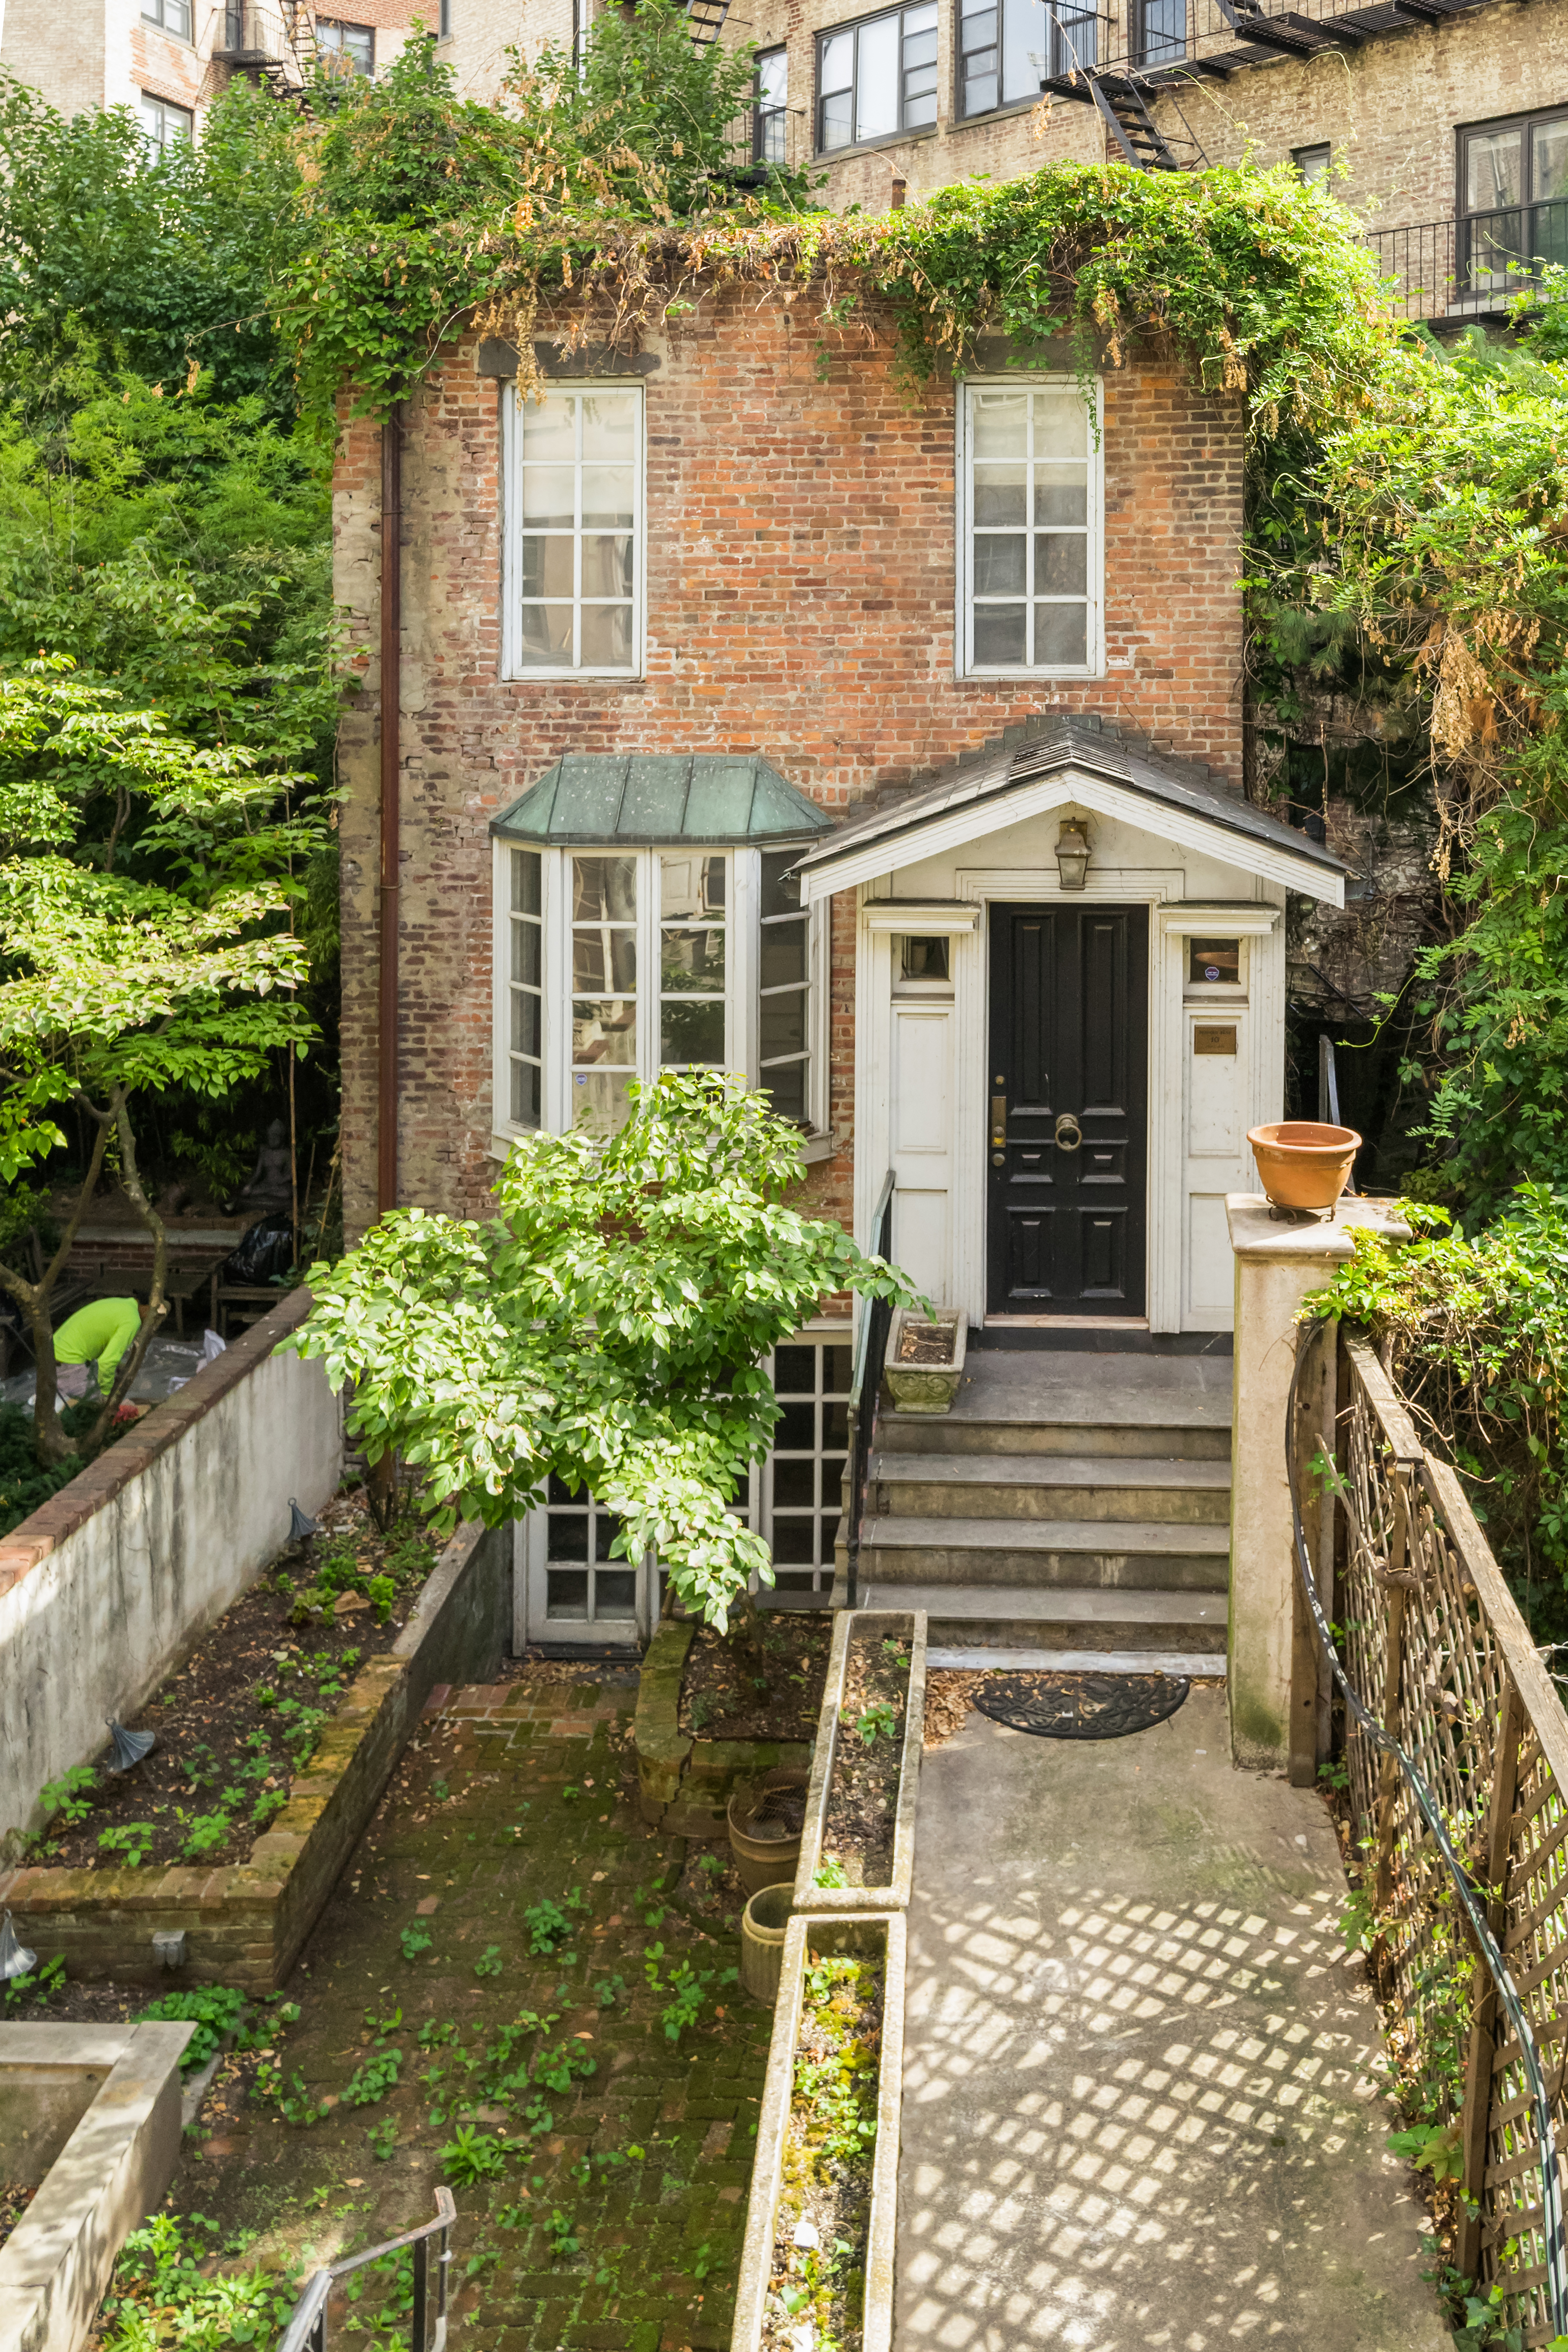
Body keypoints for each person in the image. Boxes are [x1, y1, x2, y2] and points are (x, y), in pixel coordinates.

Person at [52, 1297, 143, 1402]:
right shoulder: (133, 1322)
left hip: (55, 1346)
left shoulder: (126, 1305)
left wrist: (119, 1368)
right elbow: (107, 1362)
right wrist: (106, 1394)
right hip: (68, 1358)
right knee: (89, 1404)